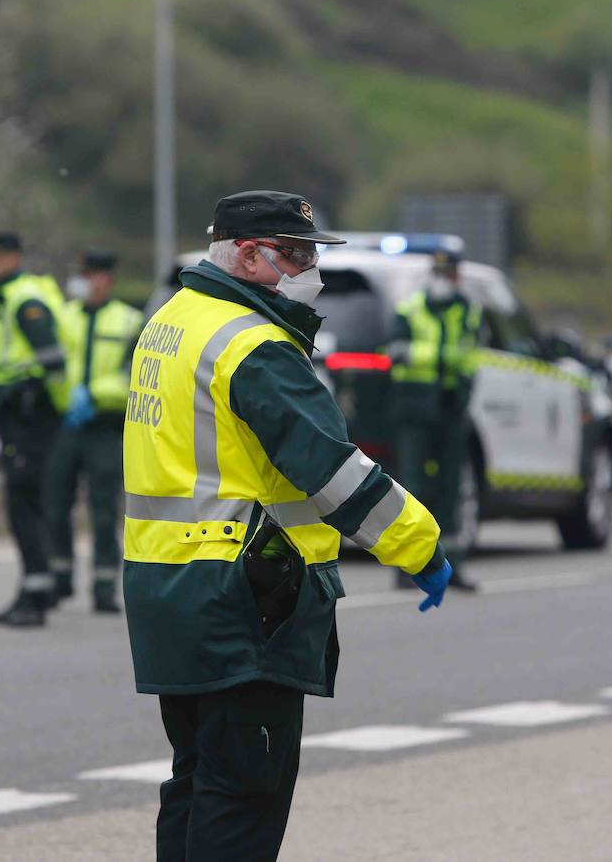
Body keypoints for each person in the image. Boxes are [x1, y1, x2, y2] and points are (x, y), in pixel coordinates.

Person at [123, 190, 452, 861]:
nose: (311, 272)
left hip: (168, 595)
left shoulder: (173, 321)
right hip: (243, 601)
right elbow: (332, 470)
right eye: (295, 255)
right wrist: (421, 546)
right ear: (248, 254)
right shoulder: (254, 346)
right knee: (242, 800)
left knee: (196, 784)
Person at [0, 232, 69, 628]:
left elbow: (53, 361)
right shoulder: (10, 299)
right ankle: (39, 589)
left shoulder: (24, 300)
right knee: (31, 504)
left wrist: (34, 397)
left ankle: (34, 597)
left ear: (12, 258)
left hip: (29, 419)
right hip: (26, 418)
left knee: (24, 507)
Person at [44, 250, 143, 614]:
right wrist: (64, 399)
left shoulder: (129, 321)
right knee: (55, 504)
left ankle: (103, 586)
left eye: (92, 274)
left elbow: (132, 375)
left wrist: (96, 395)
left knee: (103, 510)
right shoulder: (63, 317)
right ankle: (60, 578)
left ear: (107, 279)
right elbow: (51, 367)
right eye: (82, 273)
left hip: (104, 426)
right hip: (66, 425)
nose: (85, 280)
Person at [387, 248, 483, 592]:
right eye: (441, 275)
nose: (447, 282)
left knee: (451, 489)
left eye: (451, 275)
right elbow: (395, 351)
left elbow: (472, 355)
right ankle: (407, 567)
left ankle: (451, 566)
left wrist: (464, 384)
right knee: (412, 488)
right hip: (415, 409)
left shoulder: (468, 311)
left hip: (451, 408)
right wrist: (441, 356)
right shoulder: (410, 309)